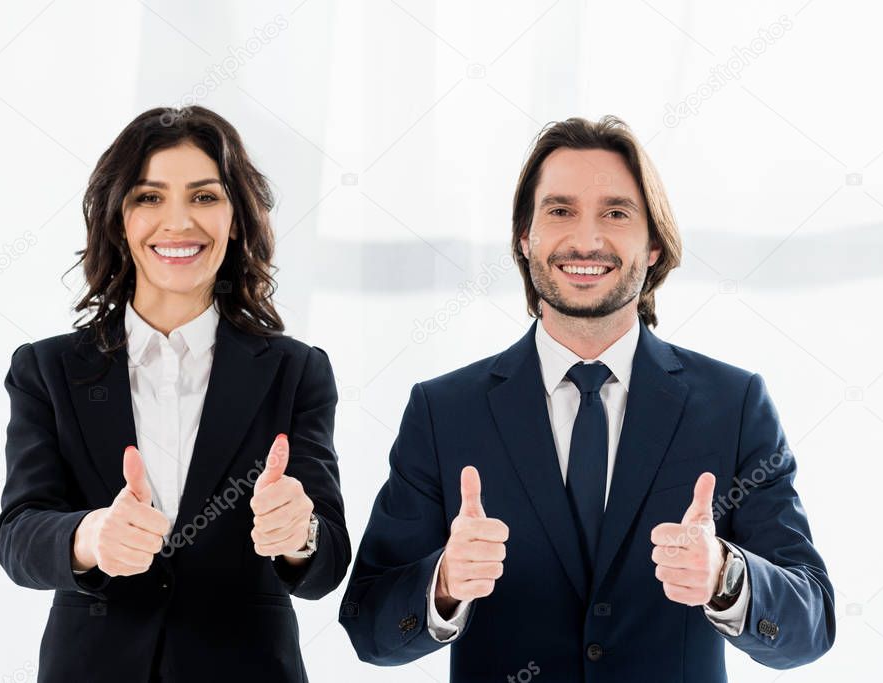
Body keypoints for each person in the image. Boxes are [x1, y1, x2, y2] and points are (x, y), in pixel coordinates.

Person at [339, 115, 835, 682]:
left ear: (653, 244)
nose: (586, 239)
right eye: (560, 210)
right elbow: (367, 626)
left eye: (616, 213)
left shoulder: (734, 404)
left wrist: (726, 575)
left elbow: (811, 625)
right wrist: (445, 581)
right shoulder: (443, 412)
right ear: (525, 238)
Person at [0, 105, 350, 682]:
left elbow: (328, 557)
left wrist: (298, 534)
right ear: (118, 220)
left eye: (205, 197)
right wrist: (90, 537)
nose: (179, 222)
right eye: (149, 197)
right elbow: (18, 533)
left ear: (236, 219)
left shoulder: (296, 371)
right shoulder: (47, 369)